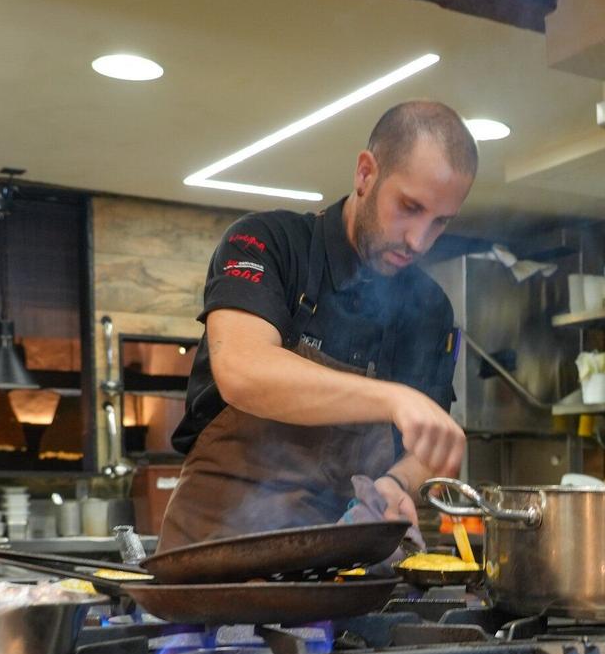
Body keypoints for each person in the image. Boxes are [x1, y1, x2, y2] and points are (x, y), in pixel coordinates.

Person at [156, 101, 474, 549]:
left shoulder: (429, 308)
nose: (418, 240)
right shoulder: (267, 243)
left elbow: (430, 445)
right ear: (366, 174)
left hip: (336, 566)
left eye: (440, 221)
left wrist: (398, 483)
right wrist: (393, 398)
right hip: (214, 555)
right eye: (409, 207)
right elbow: (243, 372)